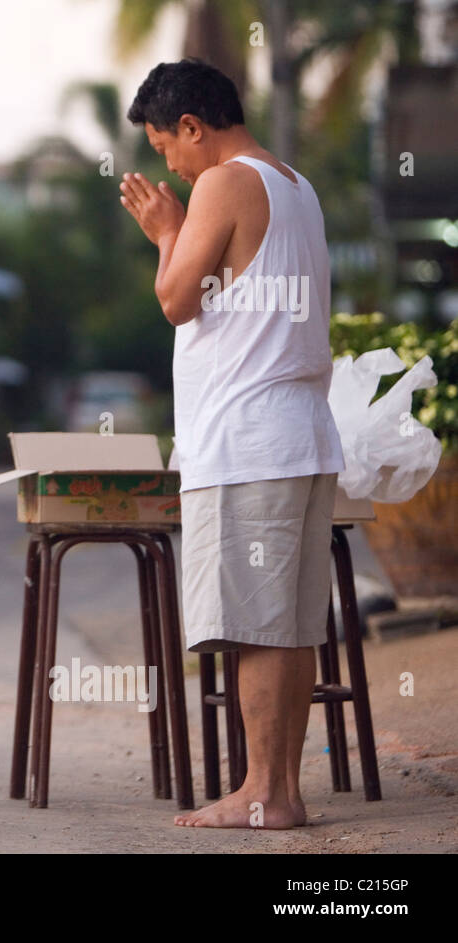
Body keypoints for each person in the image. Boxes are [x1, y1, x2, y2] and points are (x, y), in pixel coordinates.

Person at [119, 59, 344, 829]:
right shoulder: (296, 185)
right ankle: (280, 790)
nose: (169, 169)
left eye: (166, 147)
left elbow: (178, 300)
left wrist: (166, 230)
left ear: (192, 125)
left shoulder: (223, 180)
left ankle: (262, 790)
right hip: (303, 436)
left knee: (256, 624)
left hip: (250, 441)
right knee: (291, 624)